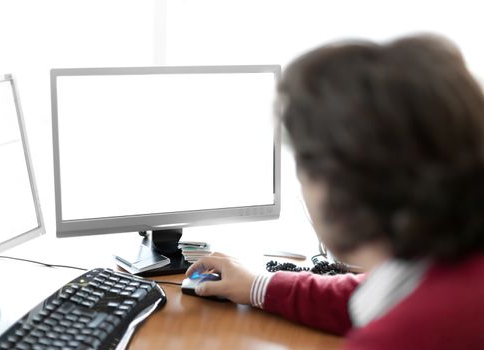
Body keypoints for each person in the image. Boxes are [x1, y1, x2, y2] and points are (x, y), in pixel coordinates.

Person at [186, 34, 484, 349]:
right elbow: (364, 296)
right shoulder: (450, 272)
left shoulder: (403, 337)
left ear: (340, 186)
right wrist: (258, 285)